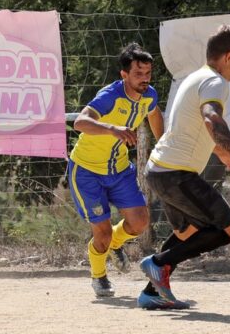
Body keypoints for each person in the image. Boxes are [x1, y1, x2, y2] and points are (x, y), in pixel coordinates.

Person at [138, 25, 230, 309]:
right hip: (175, 174)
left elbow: (192, 128)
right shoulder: (216, 82)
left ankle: (151, 292)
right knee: (228, 228)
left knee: (189, 233)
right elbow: (210, 118)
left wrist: (224, 154)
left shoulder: (196, 77)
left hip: (159, 170)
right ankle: (158, 262)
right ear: (229, 56)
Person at [68, 43, 165, 298]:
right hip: (87, 171)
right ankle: (99, 276)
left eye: (148, 73)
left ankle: (115, 243)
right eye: (138, 74)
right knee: (101, 233)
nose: (145, 79)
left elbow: (154, 113)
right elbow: (80, 122)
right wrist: (112, 129)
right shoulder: (110, 96)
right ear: (124, 74)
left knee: (140, 222)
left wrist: (162, 144)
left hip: (119, 169)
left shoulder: (149, 95)